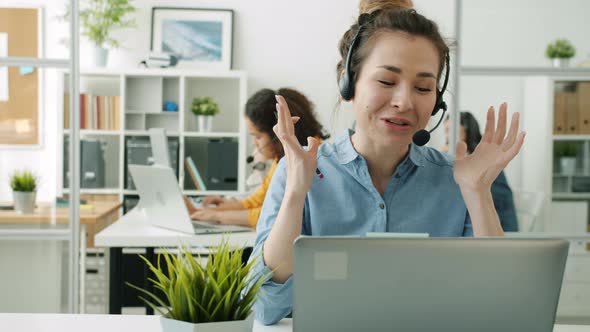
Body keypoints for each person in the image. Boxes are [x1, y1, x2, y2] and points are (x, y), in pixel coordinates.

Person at [249, 7, 526, 325]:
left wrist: (477, 192)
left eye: (423, 88)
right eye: (386, 80)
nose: (405, 102)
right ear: (349, 84)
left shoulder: (458, 180)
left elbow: (501, 306)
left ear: (437, 102)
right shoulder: (301, 170)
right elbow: (268, 307)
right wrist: (296, 194)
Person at [186, 88, 329, 227]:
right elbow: (257, 201)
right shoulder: (281, 158)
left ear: (276, 135)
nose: (254, 143)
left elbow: (273, 213)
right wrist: (208, 210)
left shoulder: (313, 159)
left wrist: (217, 216)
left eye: (257, 136)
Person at [441, 112, 519, 231]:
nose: (447, 136)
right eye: (445, 131)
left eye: (450, 130)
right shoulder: (453, 156)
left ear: (466, 129)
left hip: (497, 227)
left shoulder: (483, 157)